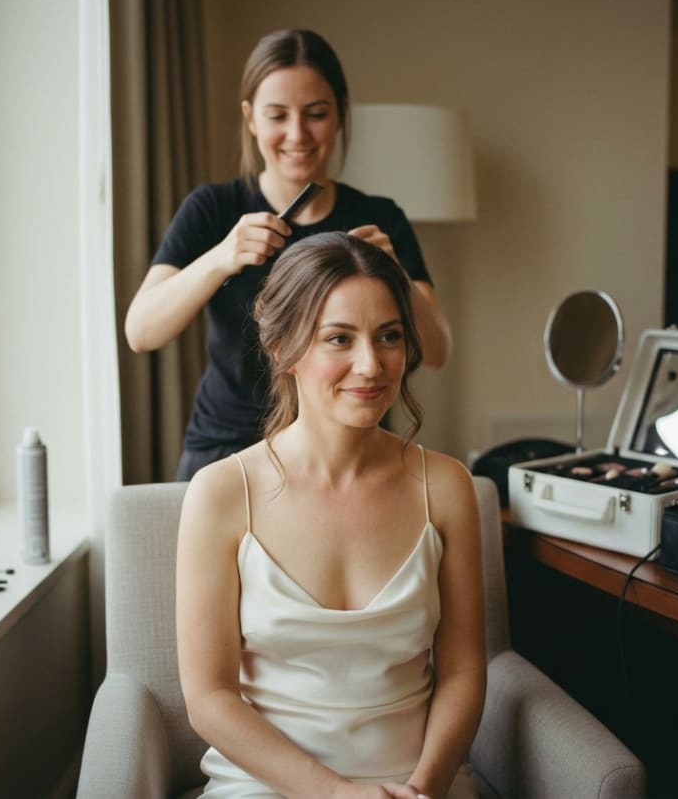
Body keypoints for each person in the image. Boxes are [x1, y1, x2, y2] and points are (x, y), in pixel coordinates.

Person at [176, 232, 484, 798]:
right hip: (266, 786)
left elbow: (464, 671)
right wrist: (339, 796)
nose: (371, 365)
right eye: (338, 339)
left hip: (417, 786)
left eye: (389, 336)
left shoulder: (445, 487)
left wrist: (423, 788)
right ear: (283, 350)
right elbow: (209, 700)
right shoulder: (219, 493)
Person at [125, 28, 452, 481]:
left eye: (316, 114)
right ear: (250, 118)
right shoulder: (213, 209)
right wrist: (221, 257)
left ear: (339, 114)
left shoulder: (380, 216)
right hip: (228, 448)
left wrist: (395, 272)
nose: (297, 134)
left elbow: (436, 351)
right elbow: (141, 331)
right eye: (277, 115)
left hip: (347, 448)